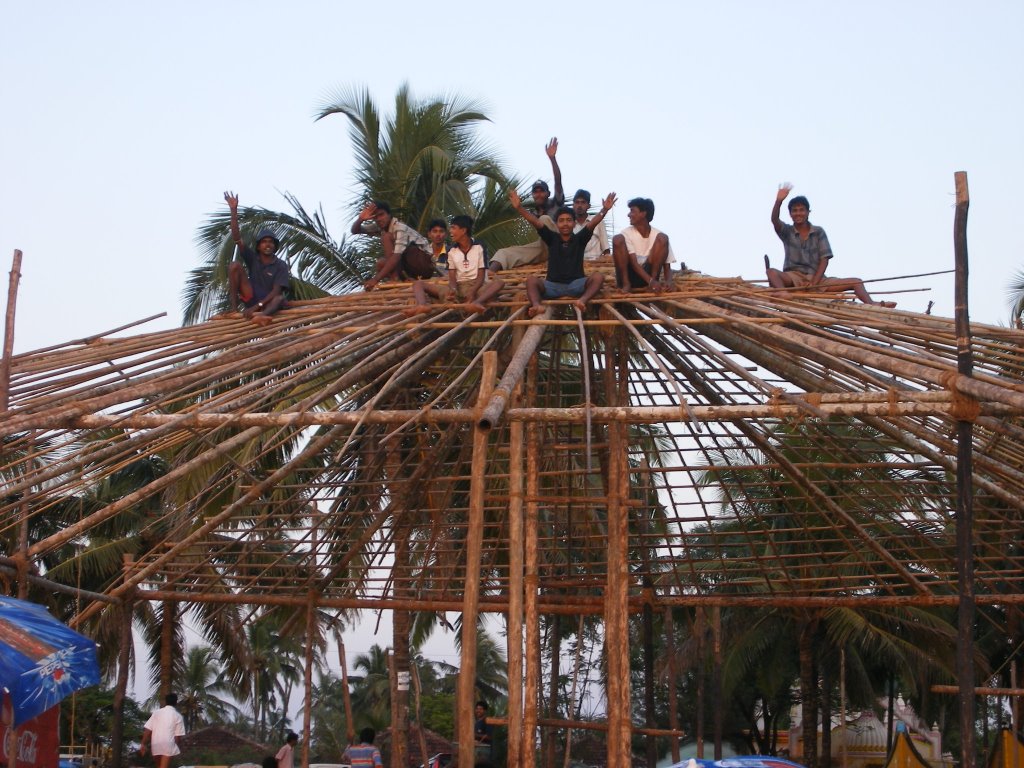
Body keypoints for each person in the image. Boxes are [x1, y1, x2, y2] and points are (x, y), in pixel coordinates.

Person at [767, 184, 896, 307]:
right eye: (794, 211)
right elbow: (774, 220)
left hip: (818, 278)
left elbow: (824, 259)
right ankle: (783, 293)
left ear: (808, 212)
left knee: (856, 281)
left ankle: (872, 304)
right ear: (790, 214)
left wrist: (814, 283)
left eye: (801, 210)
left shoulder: (818, 232)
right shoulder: (787, 232)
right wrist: (779, 201)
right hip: (794, 277)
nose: (798, 213)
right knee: (771, 272)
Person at [509, 188, 614, 317]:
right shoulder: (551, 238)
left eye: (569, 220)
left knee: (598, 277)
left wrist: (604, 210)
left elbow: (592, 223)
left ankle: (582, 301)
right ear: (557, 224)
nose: (565, 224)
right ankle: (537, 305)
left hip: (576, 285)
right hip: (552, 286)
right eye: (561, 220)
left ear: (574, 223)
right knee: (531, 280)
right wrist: (519, 208)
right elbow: (535, 222)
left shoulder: (580, 239)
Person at [488, 138, 565, 273]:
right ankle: (489, 275)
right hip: (544, 248)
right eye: (536, 192)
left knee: (544, 219)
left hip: (561, 245)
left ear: (548, 193)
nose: (539, 194)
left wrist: (552, 159)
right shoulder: (533, 213)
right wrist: (519, 208)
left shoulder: (556, 204)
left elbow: (558, 182)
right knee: (504, 253)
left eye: (542, 191)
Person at [407, 215, 504, 314]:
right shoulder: (451, 251)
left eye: (453, 228)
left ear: (463, 230)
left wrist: (473, 290)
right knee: (418, 284)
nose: (451, 232)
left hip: (477, 286)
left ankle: (476, 302)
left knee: (499, 283)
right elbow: (452, 277)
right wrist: (452, 290)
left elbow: (481, 276)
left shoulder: (479, 247)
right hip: (459, 287)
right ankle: (422, 305)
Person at [222, 191, 291, 326]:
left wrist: (257, 307)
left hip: (267, 304)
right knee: (234, 265)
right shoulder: (253, 258)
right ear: (258, 246)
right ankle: (234, 309)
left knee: (279, 298)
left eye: (271, 242)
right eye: (264, 242)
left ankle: (262, 316)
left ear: (275, 246)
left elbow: (277, 291)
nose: (268, 244)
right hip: (251, 297)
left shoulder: (280, 265)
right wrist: (233, 211)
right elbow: (236, 238)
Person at [352, 201, 434, 290]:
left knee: (386, 237)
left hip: (425, 265)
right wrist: (360, 219)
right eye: (375, 217)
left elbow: (396, 257)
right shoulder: (380, 227)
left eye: (381, 215)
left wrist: (375, 279)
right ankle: (401, 278)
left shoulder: (399, 228)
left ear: (389, 215)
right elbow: (355, 230)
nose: (379, 219)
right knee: (380, 263)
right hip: (410, 267)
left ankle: (395, 279)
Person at [612, 197, 674, 292]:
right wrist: (651, 281)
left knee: (663, 238)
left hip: (650, 278)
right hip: (630, 275)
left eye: (632, 211)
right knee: (617, 239)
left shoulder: (658, 235)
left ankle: (652, 285)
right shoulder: (626, 233)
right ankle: (626, 284)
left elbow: (667, 265)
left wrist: (669, 281)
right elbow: (634, 264)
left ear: (643, 214)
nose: (629, 215)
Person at [139, 693, 186, 768]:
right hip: (168, 744)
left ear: (165, 701)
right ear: (176, 702)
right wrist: (175, 746)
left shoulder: (156, 713)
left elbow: (148, 729)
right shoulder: (178, 716)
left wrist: (143, 744)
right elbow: (178, 737)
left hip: (155, 744)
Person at [571, 189, 611, 261]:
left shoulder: (598, 221)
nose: (579, 206)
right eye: (577, 202)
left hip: (596, 264)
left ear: (588, 206)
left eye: (583, 202)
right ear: (573, 205)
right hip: (575, 264)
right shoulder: (569, 223)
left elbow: (606, 249)